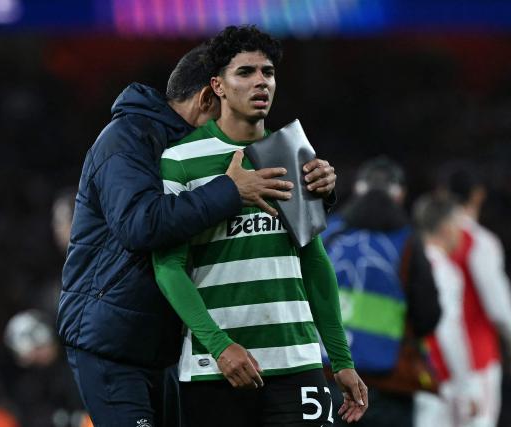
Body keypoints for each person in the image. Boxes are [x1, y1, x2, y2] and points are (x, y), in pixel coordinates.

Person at [58, 42, 338, 427]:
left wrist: (319, 189)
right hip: (114, 343)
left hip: (168, 343)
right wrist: (229, 190)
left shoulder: (194, 148)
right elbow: (140, 226)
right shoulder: (125, 139)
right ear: (212, 93)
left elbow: (277, 222)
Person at [152, 25, 367, 427]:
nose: (260, 82)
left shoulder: (293, 152)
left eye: (267, 72)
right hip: (216, 367)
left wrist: (340, 358)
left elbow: (314, 262)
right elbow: (167, 266)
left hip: (297, 360)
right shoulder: (181, 160)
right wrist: (218, 346)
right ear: (217, 85)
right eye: (246, 72)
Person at [322, 157, 441, 427]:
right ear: (399, 196)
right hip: (389, 385)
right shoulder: (409, 242)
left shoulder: (327, 235)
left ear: (358, 189)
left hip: (330, 377)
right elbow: (428, 316)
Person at [437, 164, 511, 427]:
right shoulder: (480, 242)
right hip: (477, 362)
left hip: (435, 361)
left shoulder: (429, 241)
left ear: (443, 194)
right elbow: (498, 306)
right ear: (479, 195)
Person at [412, 194, 479, 426]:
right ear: (445, 228)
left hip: (401, 374)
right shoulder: (444, 272)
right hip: (434, 378)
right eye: (458, 226)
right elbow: (449, 330)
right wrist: (466, 387)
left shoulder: (405, 262)